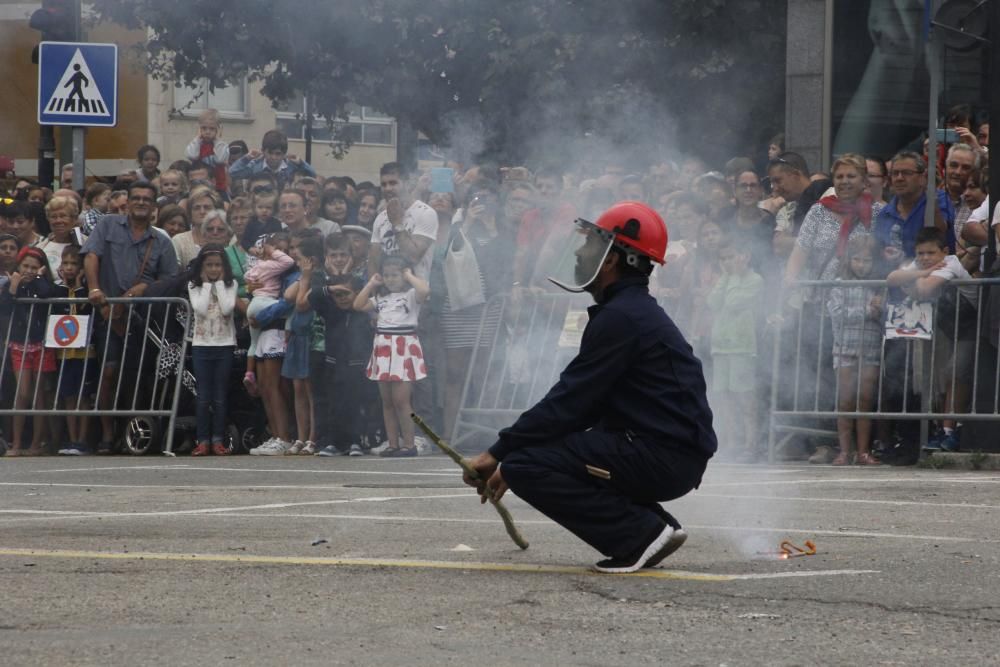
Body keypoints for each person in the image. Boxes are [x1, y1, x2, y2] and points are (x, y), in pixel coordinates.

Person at [462, 202, 716, 573]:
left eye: (590, 245)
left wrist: (501, 452)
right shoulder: (629, 311)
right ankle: (655, 528)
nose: (580, 252)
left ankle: (639, 535)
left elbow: (570, 402)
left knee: (527, 464)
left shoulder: (621, 317)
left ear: (612, 258)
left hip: (662, 456)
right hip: (668, 453)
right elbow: (586, 407)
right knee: (529, 459)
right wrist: (517, 453)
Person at [83, 181, 179, 454]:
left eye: (146, 199)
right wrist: (94, 288)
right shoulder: (107, 225)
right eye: (135, 198)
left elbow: (170, 280)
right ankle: (105, 434)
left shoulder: (161, 241)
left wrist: (143, 289)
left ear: (153, 207)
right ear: (127, 202)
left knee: (137, 378)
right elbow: (91, 257)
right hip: (108, 314)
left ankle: (128, 432)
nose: (140, 202)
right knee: (109, 371)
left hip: (144, 321)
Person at [887, 227, 976, 453]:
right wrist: (919, 272)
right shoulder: (923, 267)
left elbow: (925, 289)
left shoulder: (951, 263)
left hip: (971, 328)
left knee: (956, 375)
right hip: (947, 328)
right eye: (920, 254)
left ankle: (950, 432)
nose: (925, 258)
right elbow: (892, 278)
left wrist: (917, 277)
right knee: (938, 380)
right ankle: (941, 430)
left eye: (931, 253)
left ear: (944, 251)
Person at [353, 256, 430, 457]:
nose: (390, 279)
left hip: (403, 346)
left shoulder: (412, 295)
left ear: (404, 275)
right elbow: (358, 305)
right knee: (386, 401)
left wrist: (409, 275)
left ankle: (409, 444)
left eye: (395, 275)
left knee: (401, 401)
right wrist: (371, 283)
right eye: (387, 275)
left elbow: (424, 290)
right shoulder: (381, 298)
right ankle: (393, 444)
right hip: (383, 346)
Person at [827, 235, 884, 466]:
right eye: (857, 259)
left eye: (867, 260)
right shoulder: (840, 283)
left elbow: (883, 313)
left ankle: (863, 451)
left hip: (870, 346)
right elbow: (838, 313)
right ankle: (844, 451)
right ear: (849, 259)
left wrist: (877, 310)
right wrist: (868, 311)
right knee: (846, 400)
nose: (862, 265)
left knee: (865, 399)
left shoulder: (878, 286)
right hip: (844, 347)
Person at [707, 236, 763, 461]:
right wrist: (726, 277)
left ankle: (751, 445)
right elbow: (713, 302)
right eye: (723, 259)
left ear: (744, 257)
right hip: (720, 347)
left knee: (745, 398)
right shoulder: (726, 279)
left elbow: (733, 302)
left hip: (741, 347)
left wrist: (735, 278)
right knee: (724, 398)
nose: (727, 262)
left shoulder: (754, 280)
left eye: (731, 257)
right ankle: (730, 443)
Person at [1, 247, 57, 456]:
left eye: (34, 267)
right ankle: (16, 443)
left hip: (41, 343)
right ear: (18, 265)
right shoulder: (11, 284)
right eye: (25, 266)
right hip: (19, 344)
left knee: (39, 394)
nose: (29, 270)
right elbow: (4, 307)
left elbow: (45, 294)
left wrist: (40, 277)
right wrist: (14, 285)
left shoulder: (41, 284)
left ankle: (36, 443)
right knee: (22, 393)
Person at [187, 245, 239, 457]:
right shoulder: (194, 285)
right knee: (203, 396)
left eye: (218, 265)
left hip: (224, 344)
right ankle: (203, 440)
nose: (214, 268)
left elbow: (227, 308)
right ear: (201, 266)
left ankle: (218, 439)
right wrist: (207, 284)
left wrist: (218, 283)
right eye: (209, 265)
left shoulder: (230, 284)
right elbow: (199, 308)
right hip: (202, 345)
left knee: (219, 395)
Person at [281, 232, 324, 456]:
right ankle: (300, 436)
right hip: (297, 336)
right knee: (298, 388)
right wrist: (301, 275)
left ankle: (313, 438)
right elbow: (288, 295)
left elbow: (300, 304)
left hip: (310, 337)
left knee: (310, 390)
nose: (298, 263)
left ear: (312, 260)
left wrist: (306, 277)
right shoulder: (303, 277)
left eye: (301, 259)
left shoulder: (317, 279)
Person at [52, 246, 96, 456]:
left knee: (83, 396)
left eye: (74, 264)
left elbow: (84, 311)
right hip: (64, 351)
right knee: (68, 395)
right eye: (66, 264)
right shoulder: (58, 289)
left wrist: (79, 286)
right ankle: (71, 438)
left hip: (84, 352)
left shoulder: (86, 289)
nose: (69, 268)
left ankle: (82, 439)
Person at [241, 232, 293, 394]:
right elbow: (288, 261)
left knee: (254, 344)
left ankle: (249, 373)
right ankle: (287, 339)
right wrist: (273, 251)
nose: (282, 253)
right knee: (290, 307)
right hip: (266, 303)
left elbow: (247, 277)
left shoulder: (257, 266)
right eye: (279, 250)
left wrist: (250, 285)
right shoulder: (272, 264)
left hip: (254, 304)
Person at [368, 162, 438, 281]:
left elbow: (413, 256)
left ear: (406, 184)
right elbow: (374, 262)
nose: (387, 188)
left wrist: (397, 223)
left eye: (393, 183)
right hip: (385, 295)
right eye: (383, 184)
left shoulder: (425, 213)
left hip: (415, 294)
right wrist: (372, 292)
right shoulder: (380, 218)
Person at [228, 129, 316, 191]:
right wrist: (246, 158)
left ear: (284, 154)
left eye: (278, 154)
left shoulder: (290, 166)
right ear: (263, 151)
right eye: (270, 153)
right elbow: (232, 173)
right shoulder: (255, 166)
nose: (274, 157)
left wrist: (301, 163)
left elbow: (312, 175)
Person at [185, 108, 229, 193]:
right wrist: (197, 138)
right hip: (198, 186)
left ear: (218, 129)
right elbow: (192, 156)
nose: (207, 132)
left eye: (212, 129)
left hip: (219, 186)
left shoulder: (222, 146)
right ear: (199, 129)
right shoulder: (196, 144)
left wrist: (218, 139)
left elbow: (219, 159)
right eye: (204, 128)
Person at [36, 196, 83, 276]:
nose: (58, 221)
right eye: (53, 217)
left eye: (63, 216)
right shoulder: (40, 247)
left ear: (74, 219)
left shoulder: (85, 245)